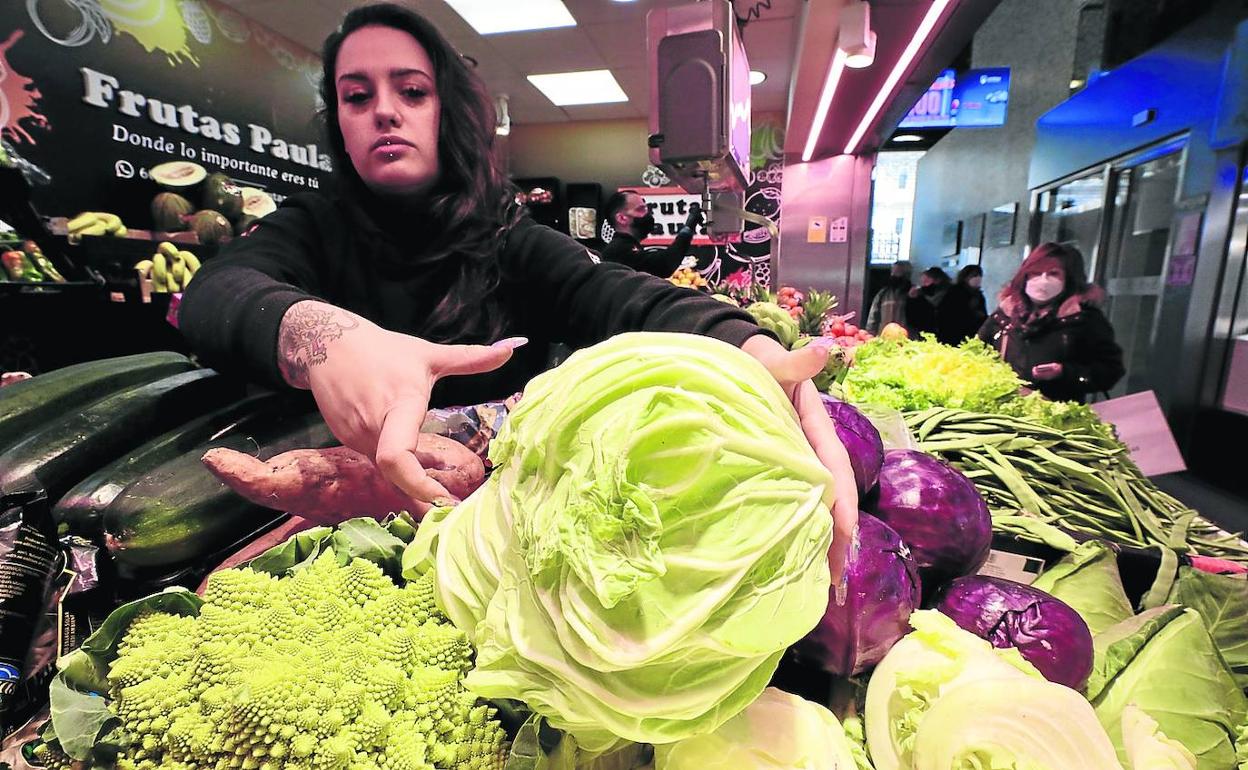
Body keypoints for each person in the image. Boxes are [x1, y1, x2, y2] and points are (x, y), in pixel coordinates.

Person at [178, 3, 857, 581]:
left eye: (411, 91)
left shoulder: (509, 239)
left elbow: (621, 294)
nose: (384, 110)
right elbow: (217, 293)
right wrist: (317, 334)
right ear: (340, 122)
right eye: (358, 96)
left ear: (446, 110)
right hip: (341, 538)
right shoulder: (310, 228)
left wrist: (753, 348)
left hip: (510, 544)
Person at [978, 242, 1124, 402]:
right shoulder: (1004, 314)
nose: (1043, 280)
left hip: (1054, 417)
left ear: (1068, 279)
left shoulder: (1084, 320)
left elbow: (1111, 370)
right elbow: (974, 354)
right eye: (1035, 273)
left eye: (1053, 274)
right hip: (1000, 413)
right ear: (1024, 276)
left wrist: (1064, 372)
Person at [599, 190, 703, 278]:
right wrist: (688, 229)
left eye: (646, 209)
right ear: (621, 218)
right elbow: (663, 264)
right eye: (640, 210)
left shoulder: (628, 245)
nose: (648, 214)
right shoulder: (618, 250)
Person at [938, 264, 989, 345]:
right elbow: (947, 314)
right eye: (974, 275)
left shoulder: (979, 295)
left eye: (980, 275)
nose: (978, 278)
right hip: (953, 334)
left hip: (972, 335)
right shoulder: (955, 292)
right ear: (966, 277)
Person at [864, 260, 911, 334]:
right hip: (884, 337)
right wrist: (870, 334)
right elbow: (873, 315)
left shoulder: (912, 294)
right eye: (893, 272)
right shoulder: (883, 293)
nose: (894, 274)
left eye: (898, 272)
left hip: (906, 338)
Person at [906, 266, 950, 338]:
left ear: (937, 280)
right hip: (925, 334)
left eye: (926, 281)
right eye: (922, 282)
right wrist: (911, 299)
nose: (923, 285)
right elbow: (912, 319)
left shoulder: (948, 295)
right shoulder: (919, 297)